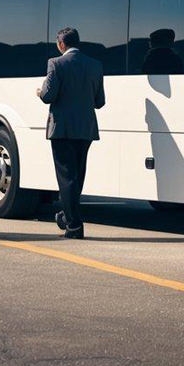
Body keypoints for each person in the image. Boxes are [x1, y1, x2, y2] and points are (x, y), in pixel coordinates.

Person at [37, 27, 105, 239]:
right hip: (85, 128)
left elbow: (49, 96)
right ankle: (67, 216)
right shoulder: (95, 65)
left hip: (62, 129)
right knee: (77, 176)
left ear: (61, 45)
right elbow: (99, 102)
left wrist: (40, 92)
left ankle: (74, 226)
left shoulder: (55, 63)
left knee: (66, 177)